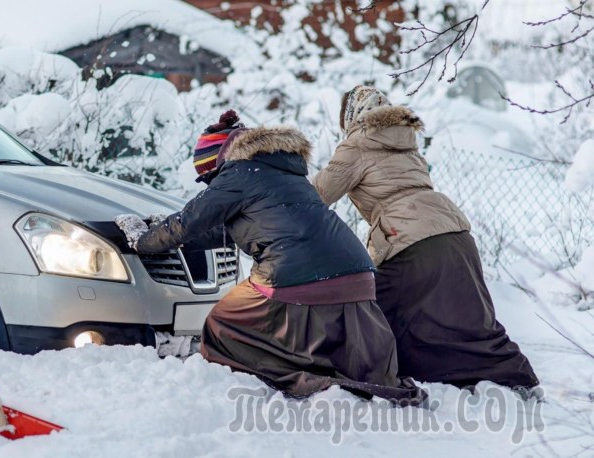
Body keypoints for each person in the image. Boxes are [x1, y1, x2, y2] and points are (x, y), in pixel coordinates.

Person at [117, 111, 425, 404]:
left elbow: (188, 223)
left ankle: (291, 376)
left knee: (223, 320)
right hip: (357, 274)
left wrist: (142, 240)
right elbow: (223, 229)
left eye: (209, 178)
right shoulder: (282, 173)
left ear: (217, 163)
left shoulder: (237, 173)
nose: (212, 186)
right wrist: (162, 228)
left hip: (296, 276)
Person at [313, 85, 538, 389]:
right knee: (469, 319)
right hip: (456, 234)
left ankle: (360, 377)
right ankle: (517, 378)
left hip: (411, 239)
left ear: (351, 117)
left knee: (371, 311)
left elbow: (316, 196)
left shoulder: (356, 144)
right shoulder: (407, 142)